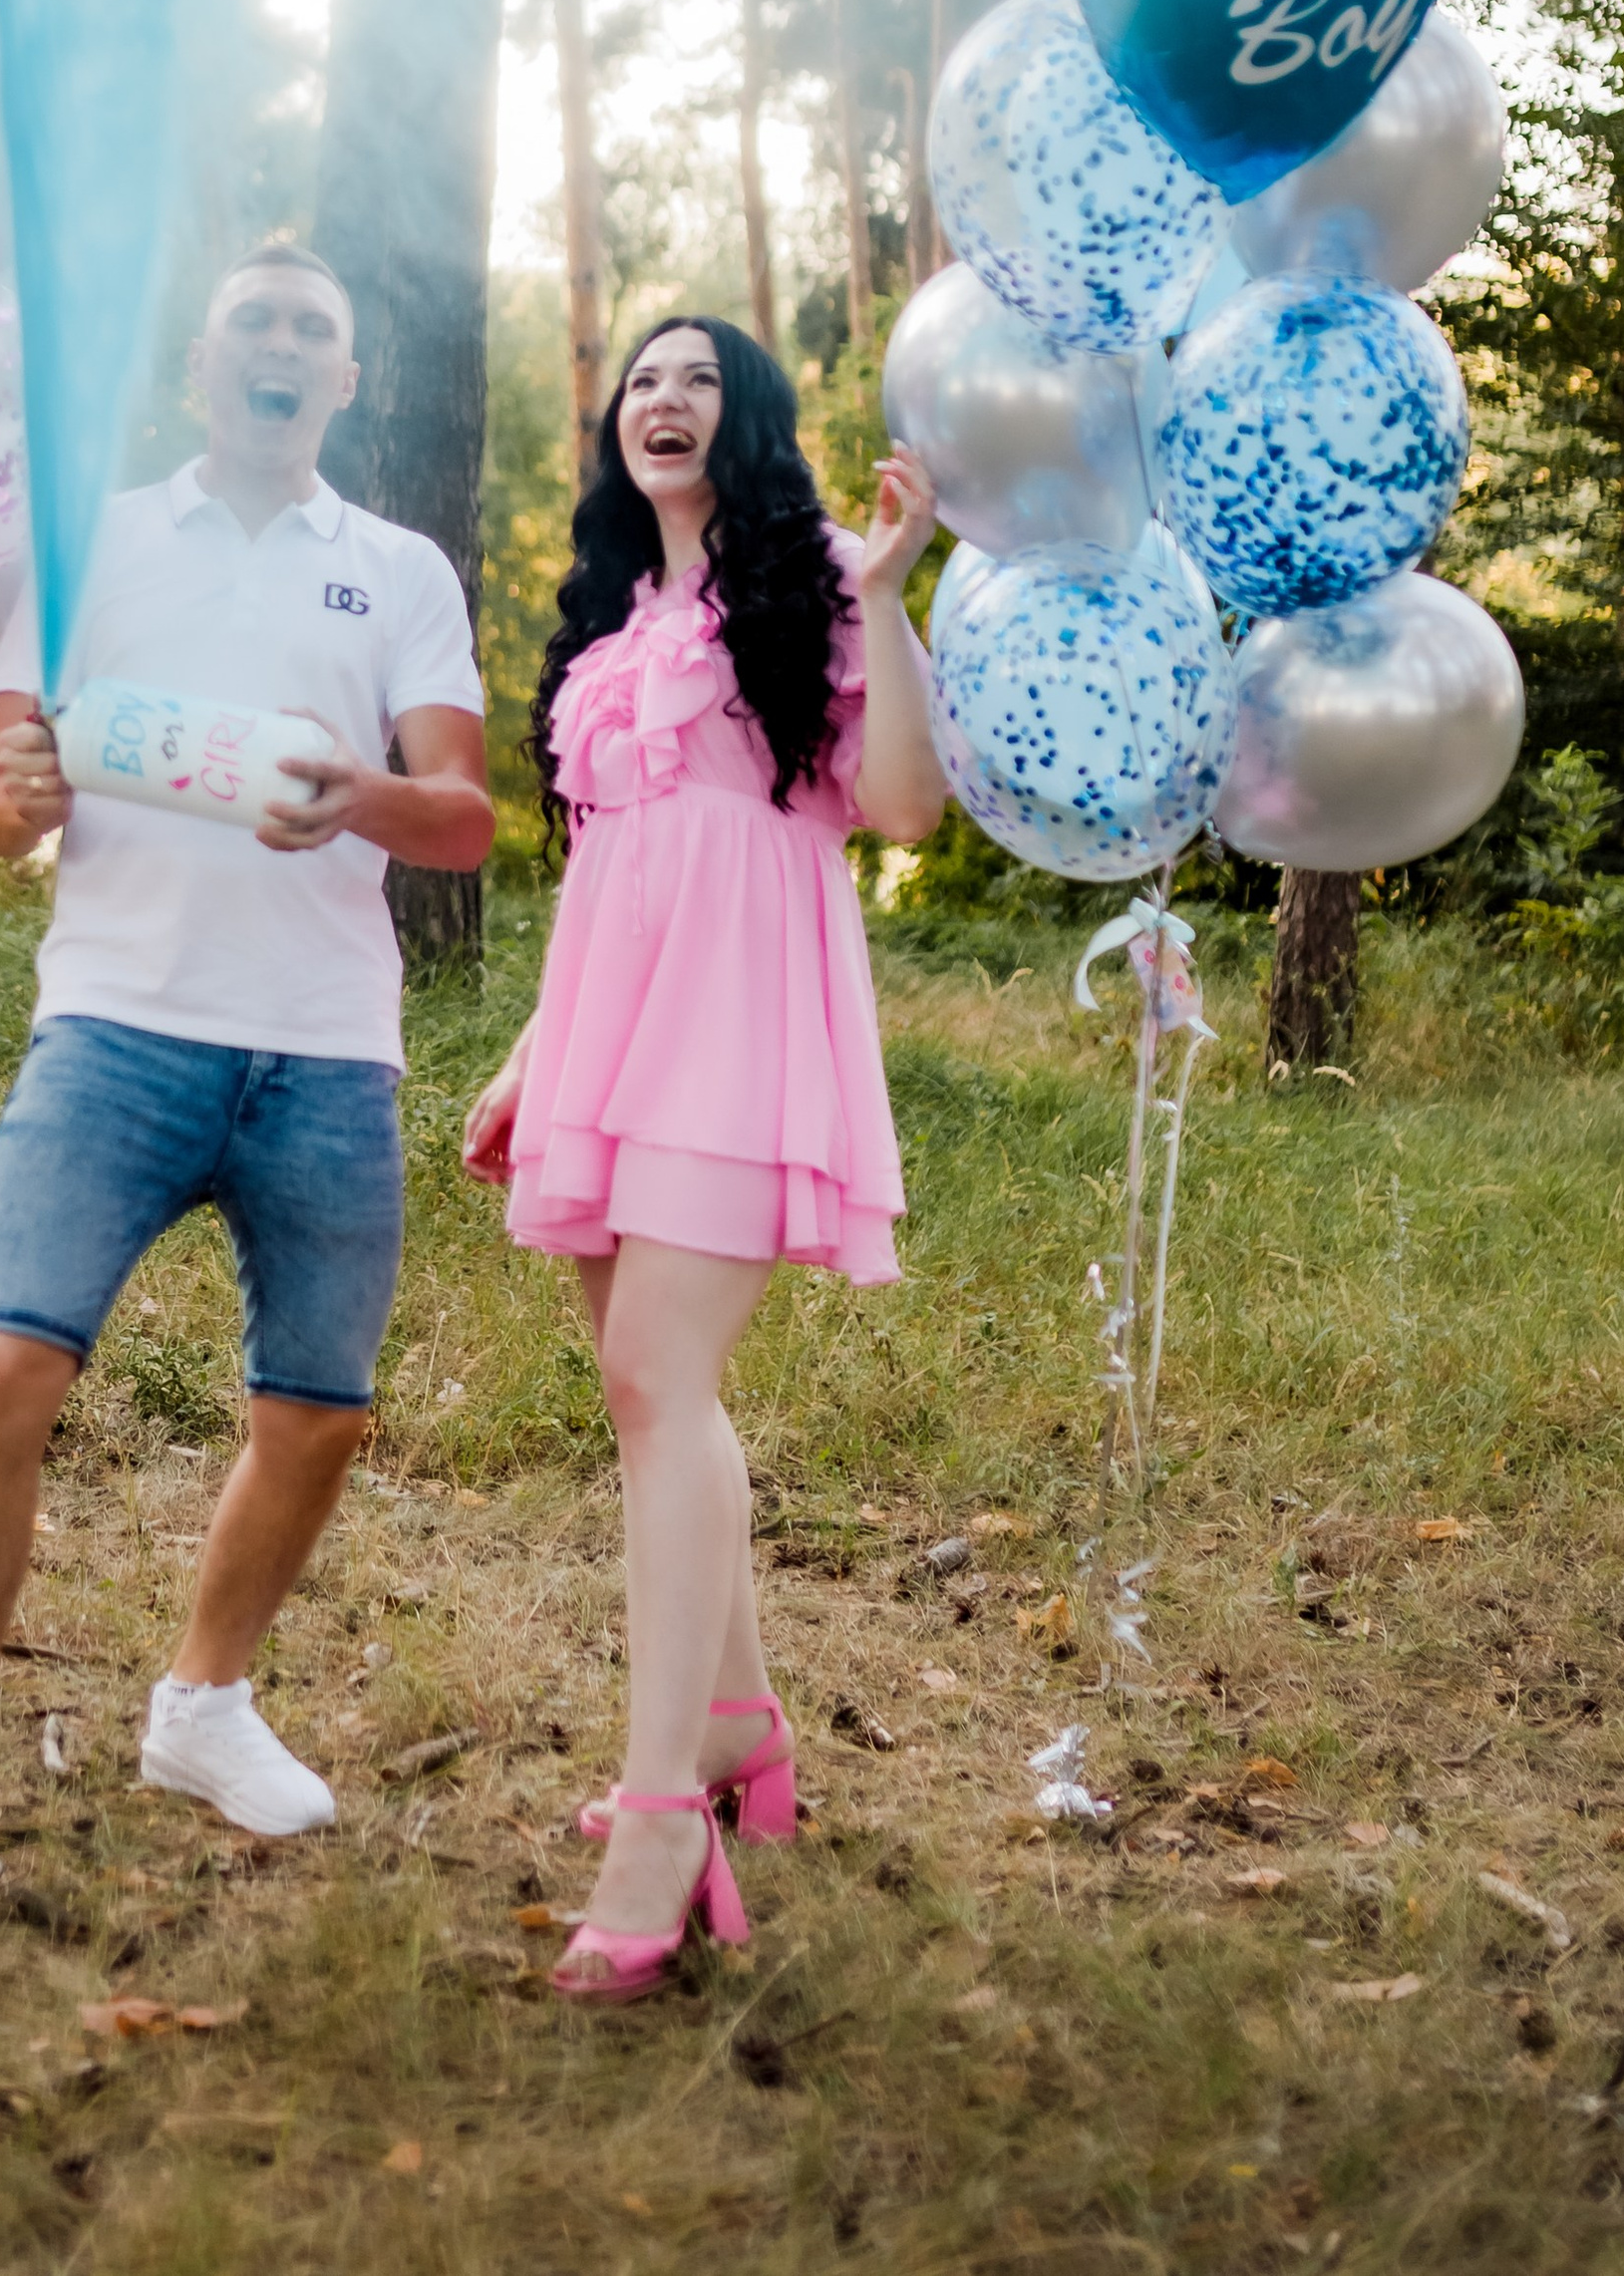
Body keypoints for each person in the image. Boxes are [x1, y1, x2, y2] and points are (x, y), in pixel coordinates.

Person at [0, 242, 493, 1953]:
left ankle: (202, 1707)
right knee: (1, 1366)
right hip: (117, 1025)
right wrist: (12, 783)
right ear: (205, 365)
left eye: (315, 327)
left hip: (330, 1044)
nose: (283, 345)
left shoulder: (402, 571)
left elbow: (469, 814)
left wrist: (359, 793)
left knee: (322, 1413)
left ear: (347, 380)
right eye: (254, 321)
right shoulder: (93, 544)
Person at [461, 314, 943, 2003]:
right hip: (613, 1026)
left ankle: (666, 1814)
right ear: (616, 421)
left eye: (702, 379)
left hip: (745, 1022)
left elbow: (898, 809)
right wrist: (540, 1052)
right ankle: (741, 1723)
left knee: (662, 1375)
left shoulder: (811, 573)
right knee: (637, 1382)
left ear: (752, 424)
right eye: (644, 377)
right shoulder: (614, 617)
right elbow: (606, 859)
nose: (665, 398)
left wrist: (884, 586)